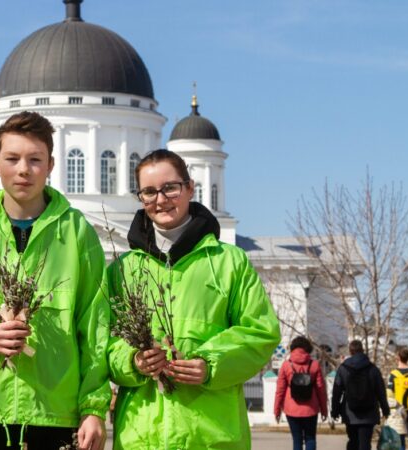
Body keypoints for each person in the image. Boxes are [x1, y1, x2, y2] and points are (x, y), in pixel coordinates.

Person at [0, 111, 110, 450]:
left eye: (35, 159)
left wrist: (93, 407)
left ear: (51, 164)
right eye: (12, 158)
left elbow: (95, 328)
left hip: (54, 412)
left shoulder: (76, 236)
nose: (23, 169)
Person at [106, 149, 281, 449]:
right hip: (141, 436)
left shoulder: (229, 262)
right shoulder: (123, 270)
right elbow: (102, 340)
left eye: (170, 188)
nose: (160, 200)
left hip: (211, 435)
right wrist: (133, 362)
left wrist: (211, 364)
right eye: (149, 192)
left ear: (190, 188)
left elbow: (261, 332)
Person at [331, 340, 390, 450]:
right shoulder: (373, 369)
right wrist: (385, 409)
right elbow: (381, 391)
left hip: (350, 413)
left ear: (350, 351)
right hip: (369, 413)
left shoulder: (343, 368)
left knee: (353, 441)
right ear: (362, 350)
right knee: (365, 443)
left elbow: (336, 392)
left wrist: (335, 410)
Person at [274, 336, 329, 450]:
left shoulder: (286, 365)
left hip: (291, 409)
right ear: (308, 348)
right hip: (311, 409)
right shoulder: (314, 365)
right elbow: (321, 389)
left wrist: (277, 410)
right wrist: (324, 409)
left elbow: (280, 390)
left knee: (297, 440)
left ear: (292, 348)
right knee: (310, 439)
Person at [387, 347, 408, 450]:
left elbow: (389, 393)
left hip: (399, 408)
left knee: (399, 433)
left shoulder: (394, 374)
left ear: (398, 357)